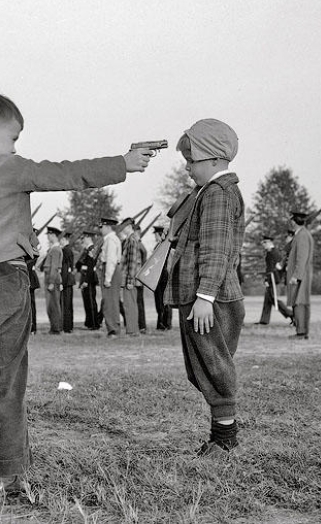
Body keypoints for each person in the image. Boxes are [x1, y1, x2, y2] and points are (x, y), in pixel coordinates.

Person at [0, 88, 152, 505]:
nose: (14, 147)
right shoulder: (10, 167)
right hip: (4, 287)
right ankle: (8, 480)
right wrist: (123, 163)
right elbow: (67, 173)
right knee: (6, 386)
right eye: (13, 138)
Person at [164, 118, 245, 454]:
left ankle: (225, 442)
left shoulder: (217, 194)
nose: (186, 167)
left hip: (210, 297)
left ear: (212, 159)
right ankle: (220, 437)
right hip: (204, 296)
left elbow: (215, 248)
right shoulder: (206, 193)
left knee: (215, 368)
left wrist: (205, 297)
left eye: (190, 160)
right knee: (205, 367)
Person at [286, 212, 314, 339]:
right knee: (299, 302)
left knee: (299, 302)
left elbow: (301, 258)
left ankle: (301, 332)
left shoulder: (302, 235)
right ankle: (301, 331)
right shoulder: (302, 234)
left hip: (301, 274)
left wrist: (296, 275)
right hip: (302, 273)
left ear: (293, 222)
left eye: (291, 220)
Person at [96, 217, 123, 338]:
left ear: (107, 227)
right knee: (112, 301)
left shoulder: (110, 240)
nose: (100, 230)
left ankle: (113, 330)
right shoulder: (112, 239)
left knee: (109, 302)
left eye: (101, 227)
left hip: (111, 270)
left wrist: (107, 279)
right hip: (112, 270)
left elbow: (111, 260)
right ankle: (114, 328)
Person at [256, 235, 289, 325]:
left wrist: (268, 280)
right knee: (268, 299)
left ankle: (290, 314)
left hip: (273, 279)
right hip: (272, 277)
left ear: (269, 242)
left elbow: (274, 268)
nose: (263, 245)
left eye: (264, 243)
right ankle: (264, 320)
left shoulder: (273, 253)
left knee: (272, 299)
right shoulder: (270, 252)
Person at [119, 218, 141, 336]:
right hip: (129, 278)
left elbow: (132, 262)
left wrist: (130, 280)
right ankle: (132, 329)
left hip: (129, 279)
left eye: (123, 227)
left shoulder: (131, 241)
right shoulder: (130, 240)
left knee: (129, 305)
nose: (122, 229)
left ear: (128, 227)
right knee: (130, 304)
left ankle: (132, 330)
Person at [42, 226, 64, 334]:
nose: (48, 237)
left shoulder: (55, 249)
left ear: (53, 235)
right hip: (51, 277)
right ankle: (54, 327)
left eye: (49, 235)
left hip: (52, 278)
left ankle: (56, 328)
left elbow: (54, 267)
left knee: (53, 305)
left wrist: (51, 282)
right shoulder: (54, 248)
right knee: (51, 305)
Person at [76, 230, 99, 329]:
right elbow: (78, 264)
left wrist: (86, 281)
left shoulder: (92, 249)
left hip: (89, 278)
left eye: (84, 237)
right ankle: (89, 323)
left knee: (91, 301)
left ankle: (94, 323)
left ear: (89, 237)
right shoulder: (86, 249)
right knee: (87, 302)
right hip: (84, 276)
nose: (83, 239)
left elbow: (91, 267)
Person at [151, 225, 172, 331]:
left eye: (156, 234)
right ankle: (162, 323)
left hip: (162, 276)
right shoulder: (159, 246)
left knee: (162, 301)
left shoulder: (164, 246)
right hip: (159, 276)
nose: (155, 237)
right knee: (159, 301)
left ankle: (164, 324)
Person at [133, 220, 148, 334]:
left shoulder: (138, 245)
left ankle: (141, 325)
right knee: (139, 302)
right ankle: (141, 325)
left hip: (137, 278)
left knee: (138, 302)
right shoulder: (140, 245)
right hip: (139, 278)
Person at [59, 232, 75, 333]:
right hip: (69, 280)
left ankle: (66, 326)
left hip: (66, 280)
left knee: (66, 304)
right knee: (68, 304)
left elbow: (65, 268)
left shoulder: (65, 250)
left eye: (61, 239)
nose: (60, 241)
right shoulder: (69, 250)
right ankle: (69, 326)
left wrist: (62, 282)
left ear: (65, 240)